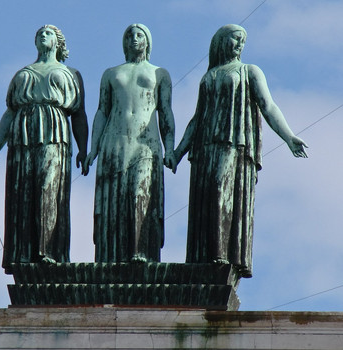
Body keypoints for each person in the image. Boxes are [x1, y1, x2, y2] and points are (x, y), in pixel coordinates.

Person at [174, 24, 308, 278]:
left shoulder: (249, 71)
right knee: (204, 199)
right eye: (235, 40)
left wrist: (288, 136)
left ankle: (222, 254)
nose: (239, 45)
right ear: (222, 41)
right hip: (205, 148)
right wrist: (178, 152)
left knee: (219, 192)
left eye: (242, 41)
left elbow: (268, 106)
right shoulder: (209, 75)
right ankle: (204, 257)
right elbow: (197, 118)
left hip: (233, 143)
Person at [0, 25, 88, 274]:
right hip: (22, 134)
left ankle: (49, 251)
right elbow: (10, 112)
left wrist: (84, 149)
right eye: (39, 33)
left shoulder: (70, 73)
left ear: (59, 42)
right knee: (23, 192)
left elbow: (79, 114)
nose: (42, 36)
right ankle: (24, 253)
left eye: (48, 33)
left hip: (55, 132)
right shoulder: (23, 73)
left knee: (48, 189)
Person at [84, 23, 176, 263]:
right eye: (129, 36)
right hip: (114, 142)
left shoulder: (160, 73)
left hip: (147, 144)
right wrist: (92, 150)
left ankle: (141, 251)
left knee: (140, 195)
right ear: (124, 43)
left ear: (147, 41)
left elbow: (165, 112)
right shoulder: (111, 73)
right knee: (115, 199)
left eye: (139, 35)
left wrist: (171, 148)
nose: (134, 39)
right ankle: (111, 254)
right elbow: (102, 111)